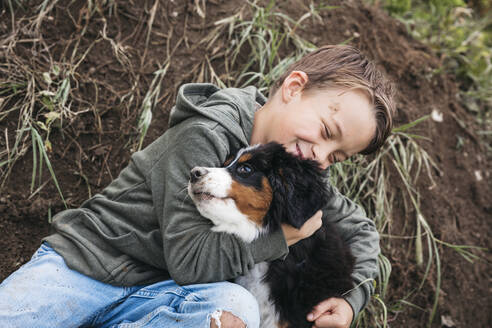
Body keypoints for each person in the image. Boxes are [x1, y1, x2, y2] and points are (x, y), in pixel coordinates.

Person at [0, 45, 395, 328]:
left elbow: (361, 229)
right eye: (327, 132)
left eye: (338, 156)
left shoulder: (294, 170)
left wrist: (349, 301)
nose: (321, 156)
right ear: (293, 88)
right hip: (85, 269)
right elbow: (189, 262)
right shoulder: (206, 132)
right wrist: (284, 236)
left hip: (163, 300)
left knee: (235, 306)